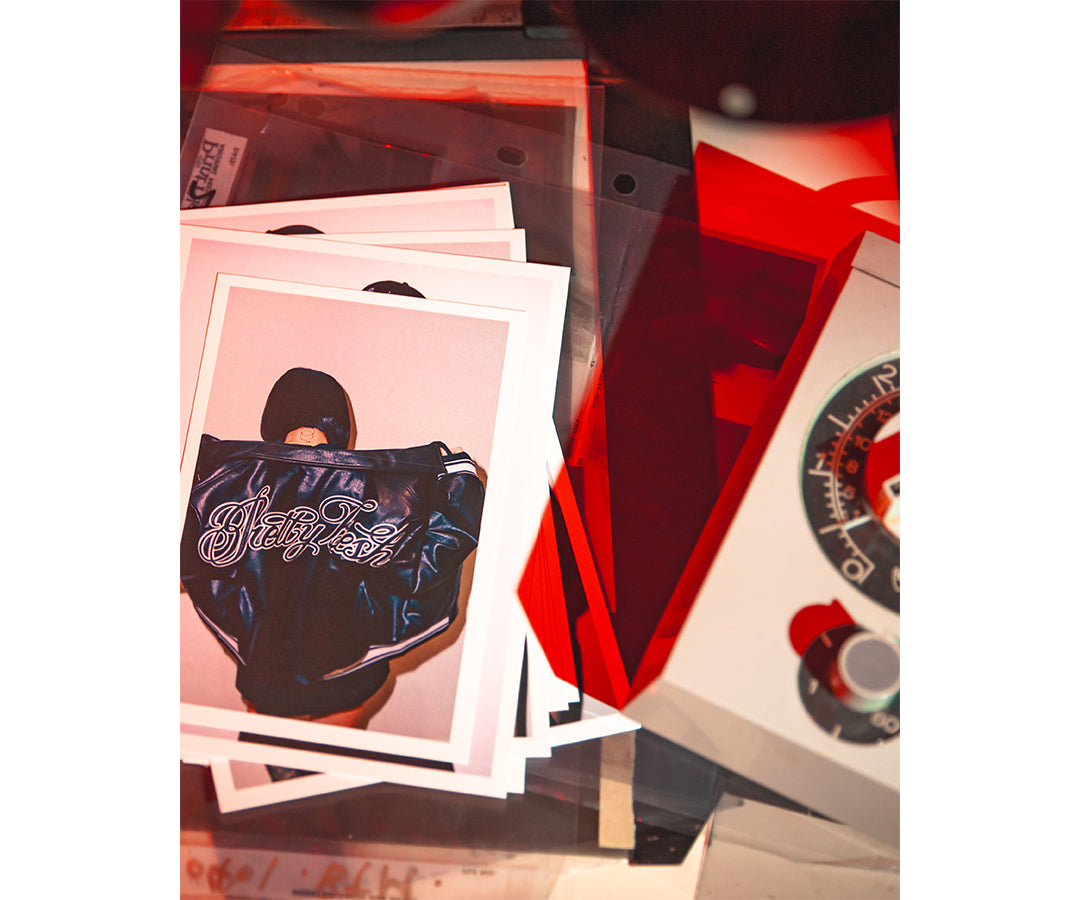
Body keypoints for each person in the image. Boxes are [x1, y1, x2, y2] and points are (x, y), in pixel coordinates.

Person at [180, 367, 485, 721]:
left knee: (265, 752)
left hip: (270, 677)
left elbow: (194, 562)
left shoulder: (228, 482)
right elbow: (429, 564)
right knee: (318, 755)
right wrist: (457, 479)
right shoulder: (378, 490)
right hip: (347, 676)